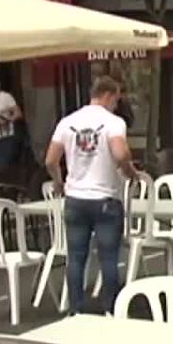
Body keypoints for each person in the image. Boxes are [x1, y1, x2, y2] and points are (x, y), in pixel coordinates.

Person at [45, 74, 137, 315]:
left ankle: (76, 309)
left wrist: (59, 182)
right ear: (108, 96)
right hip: (105, 197)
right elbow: (120, 154)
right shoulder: (113, 122)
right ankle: (110, 308)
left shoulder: (67, 122)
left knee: (76, 257)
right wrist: (129, 170)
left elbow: (50, 160)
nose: (116, 105)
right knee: (108, 257)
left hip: (75, 198)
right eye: (116, 100)